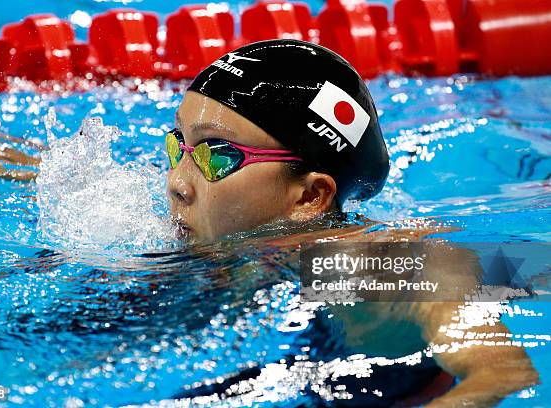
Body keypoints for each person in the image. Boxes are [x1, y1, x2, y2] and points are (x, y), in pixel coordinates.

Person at [164, 39, 539, 406]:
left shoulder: (386, 265)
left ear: (311, 196)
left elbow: (504, 373)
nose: (176, 183)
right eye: (178, 144)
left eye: (216, 156)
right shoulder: (230, 249)